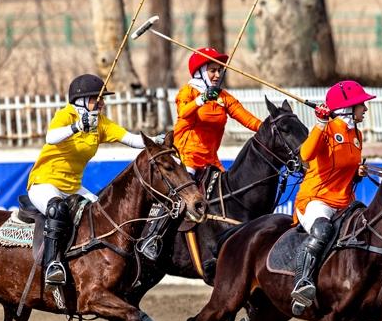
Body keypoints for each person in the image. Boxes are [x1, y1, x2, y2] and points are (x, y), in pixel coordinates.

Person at [290, 80, 382, 317]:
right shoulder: (327, 129)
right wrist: (321, 124)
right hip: (315, 200)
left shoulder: (356, 135)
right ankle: (303, 283)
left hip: (344, 201)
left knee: (376, 231)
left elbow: (344, 169)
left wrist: (357, 173)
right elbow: (305, 154)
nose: (365, 108)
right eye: (361, 104)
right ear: (347, 108)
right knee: (322, 232)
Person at [26, 74, 153, 287]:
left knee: (102, 213)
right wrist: (77, 126)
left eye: (102, 98)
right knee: (57, 210)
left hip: (73, 187)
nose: (102, 103)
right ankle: (52, 265)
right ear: (81, 100)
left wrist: (156, 141)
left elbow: (130, 139)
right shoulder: (65, 115)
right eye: (97, 98)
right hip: (44, 183)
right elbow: (51, 137)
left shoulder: (99, 123)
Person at [172, 47, 262, 178]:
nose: (218, 75)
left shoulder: (223, 96)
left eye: (219, 70)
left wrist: (269, 127)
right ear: (200, 72)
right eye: (212, 71)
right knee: (188, 197)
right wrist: (203, 98)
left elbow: (249, 120)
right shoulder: (187, 92)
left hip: (211, 160)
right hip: (186, 158)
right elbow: (183, 113)